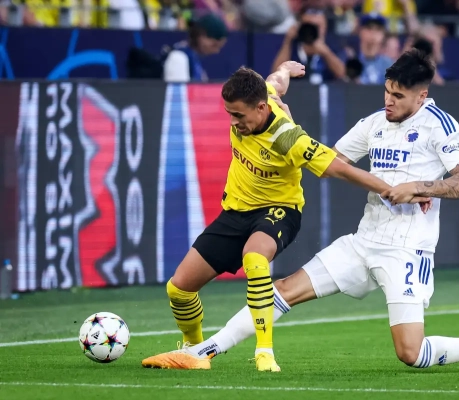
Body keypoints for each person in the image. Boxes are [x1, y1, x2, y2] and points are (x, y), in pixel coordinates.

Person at [142, 50, 459, 374]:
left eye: (398, 96)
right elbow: (330, 161)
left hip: (407, 249)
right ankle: (201, 352)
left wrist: (420, 187)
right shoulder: (375, 123)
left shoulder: (439, 125)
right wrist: (287, 130)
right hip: (363, 242)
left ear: (421, 96)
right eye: (386, 91)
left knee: (411, 353)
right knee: (281, 291)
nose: (388, 101)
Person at [141, 61, 430, 373]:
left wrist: (391, 189)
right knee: (179, 288)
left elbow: (339, 169)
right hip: (236, 211)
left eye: (238, 115)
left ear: (261, 108)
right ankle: (192, 350)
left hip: (279, 212)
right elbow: (275, 80)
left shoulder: (288, 138)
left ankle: (264, 352)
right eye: (229, 114)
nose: (233, 122)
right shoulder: (263, 93)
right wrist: (286, 69)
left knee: (255, 258)